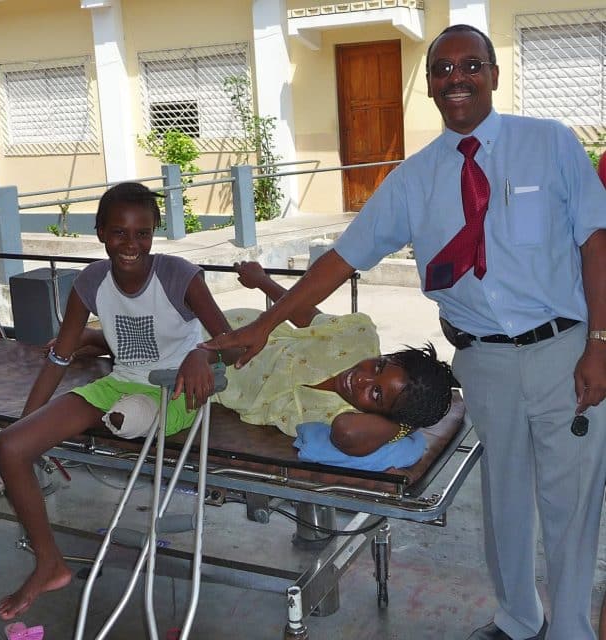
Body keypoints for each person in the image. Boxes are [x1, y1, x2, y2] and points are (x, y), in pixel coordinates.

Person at [204, 24, 606, 640]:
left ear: (494, 74)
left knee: (571, 501)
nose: (456, 80)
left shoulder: (548, 144)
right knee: (505, 497)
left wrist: (600, 343)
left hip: (563, 350)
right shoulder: (415, 177)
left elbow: (594, 241)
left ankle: (572, 630)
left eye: (470, 66)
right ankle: (520, 620)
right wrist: (265, 323)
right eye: (442, 71)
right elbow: (344, 257)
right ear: (431, 88)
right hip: (484, 362)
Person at [0, 182, 242, 621]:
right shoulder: (90, 282)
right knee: (10, 446)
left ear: (154, 234)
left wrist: (202, 353)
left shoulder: (179, 275)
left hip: (174, 386)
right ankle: (49, 562)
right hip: (119, 380)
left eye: (143, 233)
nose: (132, 244)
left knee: (127, 418)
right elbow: (60, 355)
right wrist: (30, 423)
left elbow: (234, 346)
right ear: (101, 232)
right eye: (120, 233)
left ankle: (117, 376)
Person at [217, 261, 454, 455]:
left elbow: (348, 433)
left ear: (384, 416)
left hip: (214, 379)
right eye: (379, 366)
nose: (361, 378)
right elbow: (305, 314)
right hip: (235, 326)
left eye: (376, 394)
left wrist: (404, 425)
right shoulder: (358, 339)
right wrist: (262, 281)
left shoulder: (341, 416)